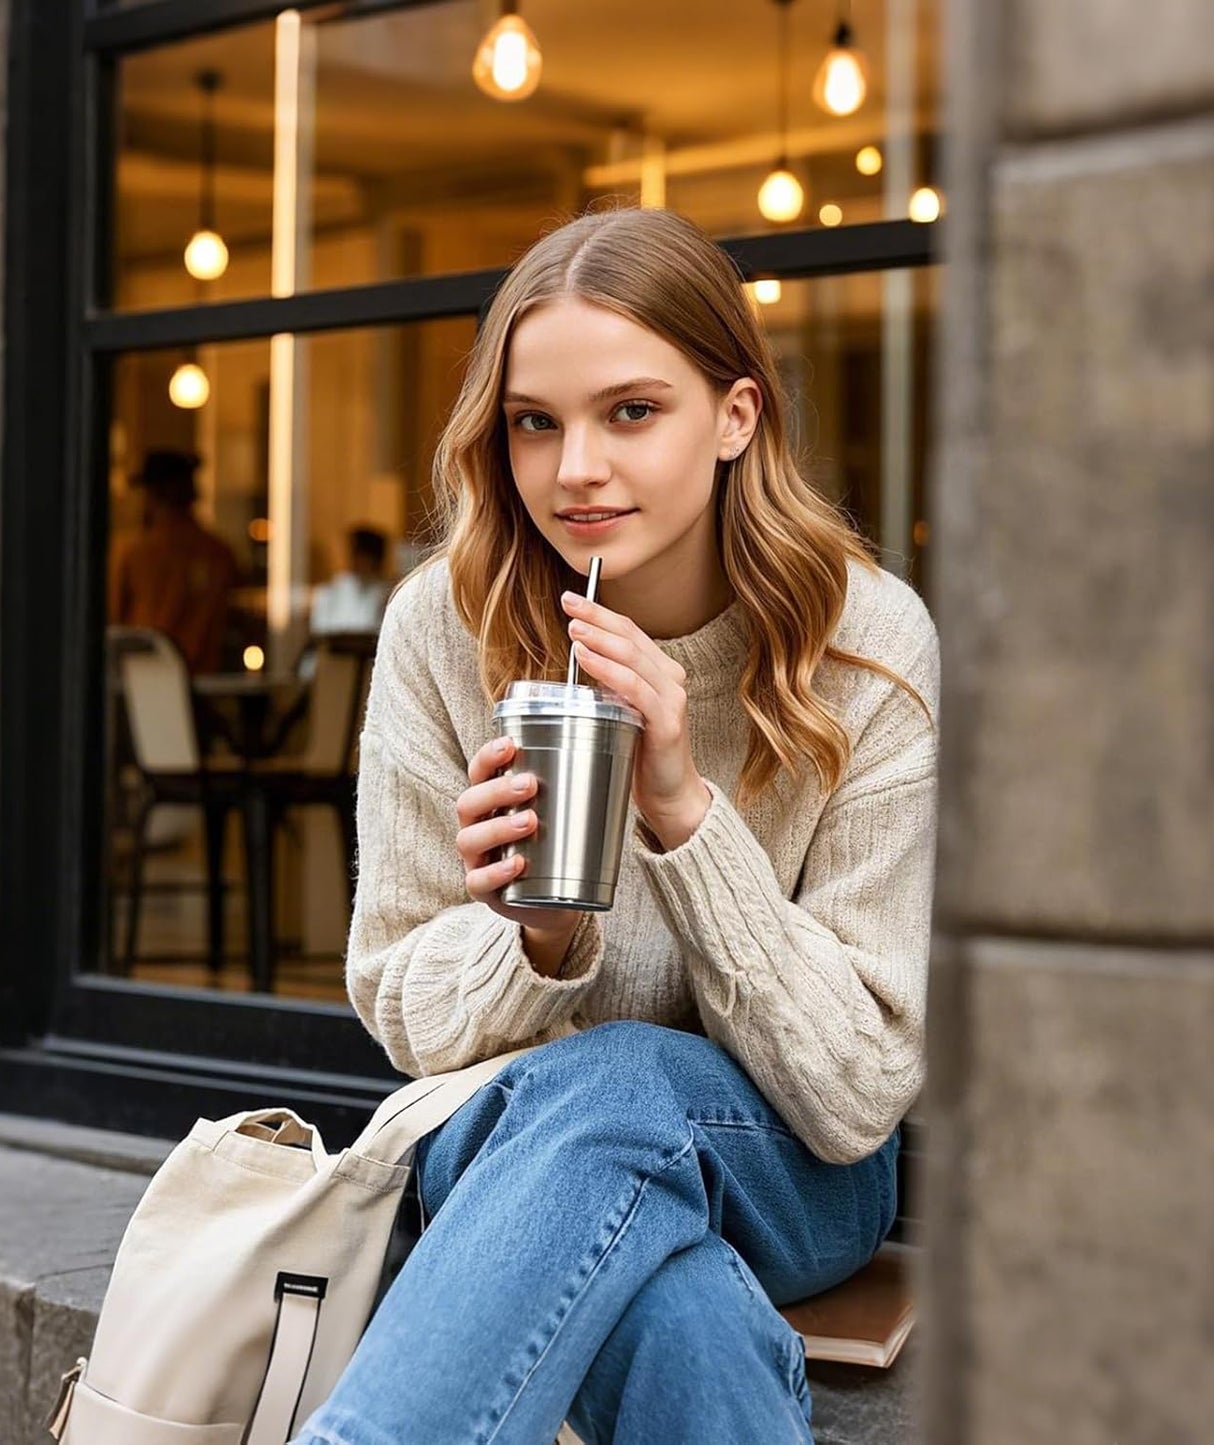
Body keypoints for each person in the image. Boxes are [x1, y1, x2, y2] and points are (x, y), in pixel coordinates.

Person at [295, 209, 939, 1445]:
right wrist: (532, 939)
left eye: (630, 412)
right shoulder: (447, 623)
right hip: (506, 1140)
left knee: (618, 1082)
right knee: (668, 1295)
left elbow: (856, 1090)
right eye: (535, 421)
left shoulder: (866, 645)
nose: (573, 467)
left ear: (734, 419)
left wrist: (682, 811)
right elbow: (400, 1008)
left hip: (794, 1165)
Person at [108, 450, 239, 675]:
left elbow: (114, 620)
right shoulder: (219, 554)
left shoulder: (135, 553)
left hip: (144, 681)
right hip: (204, 685)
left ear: (152, 495)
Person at [309, 526, 392, 637]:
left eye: (366, 557)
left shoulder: (385, 593)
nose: (362, 561)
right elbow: (320, 632)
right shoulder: (329, 592)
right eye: (358, 555)